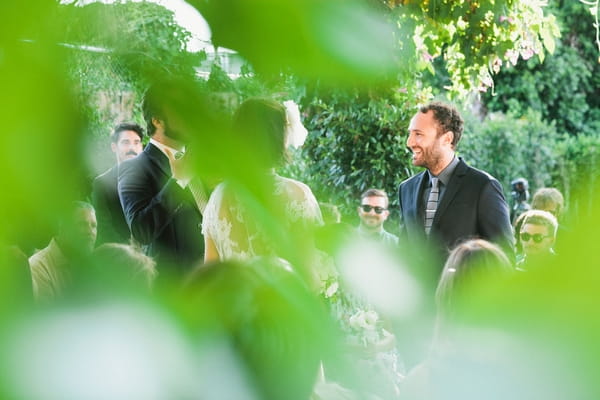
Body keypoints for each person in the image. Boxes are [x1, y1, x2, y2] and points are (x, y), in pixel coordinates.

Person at [202, 98, 323, 269]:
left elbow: (210, 272)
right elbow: (309, 272)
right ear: (278, 138)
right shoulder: (298, 195)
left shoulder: (219, 197)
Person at [398, 101, 514, 279]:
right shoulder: (406, 189)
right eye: (410, 134)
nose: (409, 142)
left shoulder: (483, 186)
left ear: (447, 139)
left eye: (418, 134)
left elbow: (504, 258)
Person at [118, 82, 206, 278]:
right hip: (172, 288)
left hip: (210, 283)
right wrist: (178, 181)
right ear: (157, 120)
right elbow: (142, 230)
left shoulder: (200, 163)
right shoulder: (134, 169)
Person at [29, 201, 97, 300]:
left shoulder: (97, 263)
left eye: (94, 226)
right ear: (64, 229)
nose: (90, 232)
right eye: (82, 224)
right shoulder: (38, 267)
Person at [92, 122, 144, 245]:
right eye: (126, 143)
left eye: (136, 143)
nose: (132, 148)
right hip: (121, 255)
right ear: (114, 147)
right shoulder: (102, 183)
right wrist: (131, 252)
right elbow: (105, 227)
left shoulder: (153, 178)